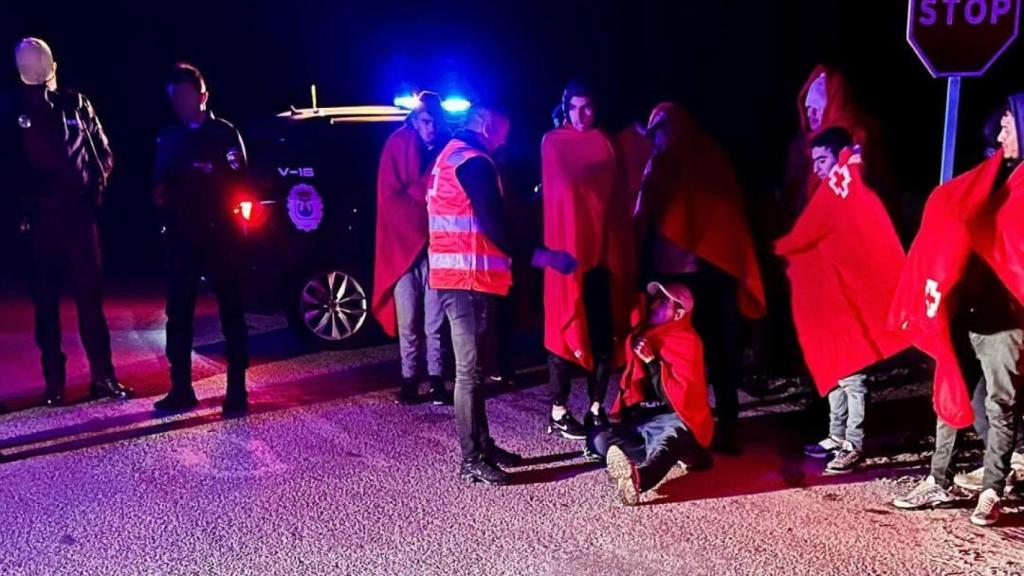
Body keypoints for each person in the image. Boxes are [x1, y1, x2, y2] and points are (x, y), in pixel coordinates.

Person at [891, 94, 1024, 526]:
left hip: (1008, 320)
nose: (1001, 134)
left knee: (1000, 405)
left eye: (1009, 126)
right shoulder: (988, 176)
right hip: (964, 309)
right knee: (948, 393)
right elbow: (950, 215)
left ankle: (992, 489)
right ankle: (938, 479)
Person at [0, 38, 131, 406]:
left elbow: (101, 150)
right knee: (45, 303)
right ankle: (54, 384)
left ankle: (103, 377)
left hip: (78, 217)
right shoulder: (10, 110)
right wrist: (22, 208)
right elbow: (7, 168)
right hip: (39, 220)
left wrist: (95, 186)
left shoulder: (75, 103)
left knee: (91, 300)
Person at [774, 127, 907, 474]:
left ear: (838, 156)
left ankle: (853, 444)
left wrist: (781, 248)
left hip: (851, 299)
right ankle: (835, 435)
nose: (817, 168)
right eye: (814, 161)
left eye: (822, 160)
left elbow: (823, 230)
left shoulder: (846, 185)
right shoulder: (833, 189)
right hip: (831, 299)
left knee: (853, 375)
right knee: (834, 367)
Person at [636, 102, 766, 455]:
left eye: (661, 130)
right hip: (668, 279)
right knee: (669, 352)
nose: (657, 138)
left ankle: (728, 424)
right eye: (653, 132)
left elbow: (726, 219)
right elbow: (642, 215)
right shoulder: (657, 165)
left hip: (709, 279)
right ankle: (678, 420)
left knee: (719, 353)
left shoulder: (708, 159)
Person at [426, 102, 523, 485]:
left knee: (475, 372)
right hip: (468, 279)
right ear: (485, 124)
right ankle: (471, 458)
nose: (506, 138)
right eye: (503, 129)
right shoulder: (474, 161)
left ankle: (483, 444)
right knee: (469, 374)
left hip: (457, 277)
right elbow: (494, 223)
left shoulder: (450, 156)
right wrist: (536, 254)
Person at [151, 63, 250, 416]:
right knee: (178, 315)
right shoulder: (168, 136)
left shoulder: (224, 134)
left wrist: (207, 180)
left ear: (202, 96)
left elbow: (240, 180)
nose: (179, 103)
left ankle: (237, 390)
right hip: (181, 237)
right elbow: (158, 185)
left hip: (219, 234)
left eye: (185, 95)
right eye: (174, 97)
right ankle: (181, 388)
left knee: (231, 313)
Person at [541, 80, 637, 441]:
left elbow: (616, 201)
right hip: (565, 253)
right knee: (562, 329)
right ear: (565, 107)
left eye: (589, 108)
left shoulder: (606, 143)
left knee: (602, 334)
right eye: (575, 108)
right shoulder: (553, 142)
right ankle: (559, 410)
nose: (582, 115)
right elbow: (561, 199)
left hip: (603, 256)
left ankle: (597, 407)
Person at [592, 282, 714, 506]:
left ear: (678, 313)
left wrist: (651, 362)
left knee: (669, 438)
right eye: (655, 299)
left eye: (663, 301)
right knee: (600, 439)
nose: (655, 304)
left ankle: (640, 480)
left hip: (678, 419)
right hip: (647, 422)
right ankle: (651, 458)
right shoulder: (643, 335)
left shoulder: (687, 341)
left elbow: (680, 400)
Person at [371, 92, 452, 405]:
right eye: (425, 121)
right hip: (402, 248)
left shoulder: (447, 147)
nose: (431, 128)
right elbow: (390, 199)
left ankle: (436, 379)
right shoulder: (397, 144)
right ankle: (409, 378)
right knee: (408, 319)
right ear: (415, 121)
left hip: (435, 245)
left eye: (435, 122)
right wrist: (423, 193)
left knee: (435, 320)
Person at [782, 65, 886, 223]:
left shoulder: (855, 136)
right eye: (808, 109)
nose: (811, 115)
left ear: (832, 104)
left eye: (816, 108)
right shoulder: (802, 146)